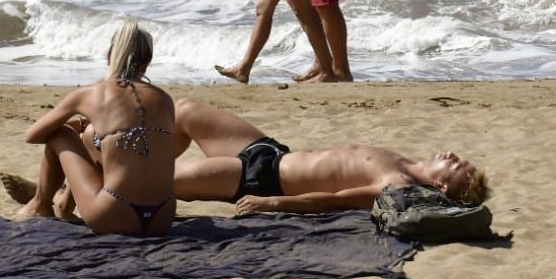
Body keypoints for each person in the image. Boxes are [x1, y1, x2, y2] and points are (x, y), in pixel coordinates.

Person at [169, 97, 490, 214]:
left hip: (260, 180)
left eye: (456, 165)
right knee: (185, 111)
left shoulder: (397, 185)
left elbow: (334, 199)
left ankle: (132, 179)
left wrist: (272, 203)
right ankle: (143, 165)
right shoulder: (405, 162)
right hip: (270, 151)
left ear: (442, 186)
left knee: (161, 181)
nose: (452, 155)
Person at [11, 20, 179, 236]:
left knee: (61, 133)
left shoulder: (93, 93)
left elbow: (32, 135)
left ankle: (39, 205)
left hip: (113, 215)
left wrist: (75, 124)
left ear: (110, 55)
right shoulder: (165, 100)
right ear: (148, 62)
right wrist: (89, 127)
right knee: (94, 137)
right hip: (161, 220)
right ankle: (63, 204)